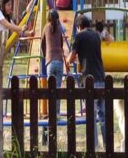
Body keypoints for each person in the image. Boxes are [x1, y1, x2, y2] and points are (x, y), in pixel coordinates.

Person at [66, 15, 106, 149]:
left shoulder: (79, 37)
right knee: (103, 115)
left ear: (78, 27)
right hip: (101, 77)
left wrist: (66, 61)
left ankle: (93, 146)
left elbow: (71, 58)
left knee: (91, 115)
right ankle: (108, 144)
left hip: (89, 80)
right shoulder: (96, 36)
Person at [41, 9, 65, 114]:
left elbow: (42, 43)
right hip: (59, 60)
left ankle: (51, 113)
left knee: (50, 89)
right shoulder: (60, 28)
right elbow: (61, 43)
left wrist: (45, 55)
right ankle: (57, 113)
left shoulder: (46, 27)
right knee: (58, 88)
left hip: (50, 60)